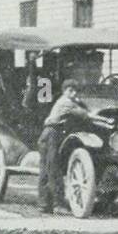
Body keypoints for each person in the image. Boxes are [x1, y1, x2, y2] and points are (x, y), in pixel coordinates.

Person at [37, 78, 91, 214]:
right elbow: (85, 114)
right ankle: (58, 205)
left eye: (76, 91)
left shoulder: (66, 101)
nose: (73, 93)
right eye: (70, 90)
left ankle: (44, 204)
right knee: (54, 170)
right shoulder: (66, 103)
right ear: (64, 91)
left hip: (48, 135)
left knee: (46, 169)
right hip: (52, 135)